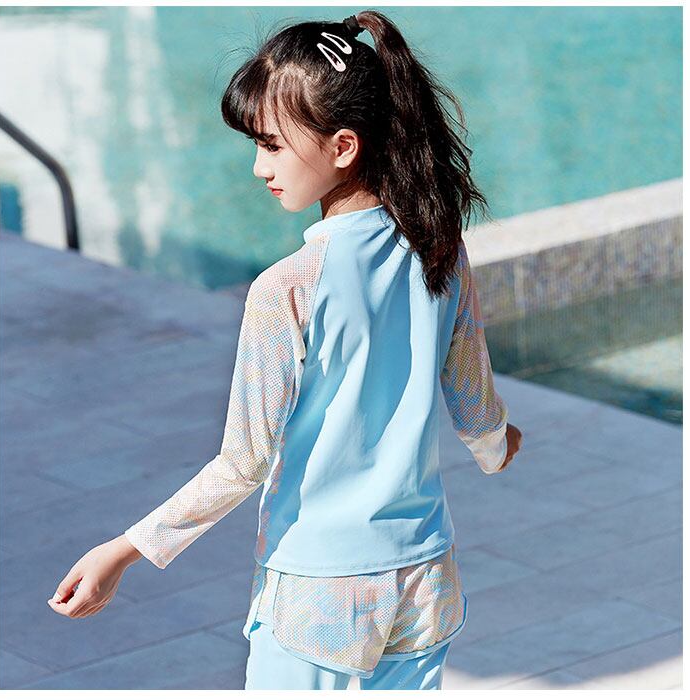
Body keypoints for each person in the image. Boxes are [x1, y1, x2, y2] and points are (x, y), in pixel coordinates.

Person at [46, 10, 523, 690]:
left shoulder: (287, 288)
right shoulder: (439, 246)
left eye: (271, 145)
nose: (257, 167)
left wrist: (122, 551)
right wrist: (496, 447)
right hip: (426, 574)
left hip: (321, 588)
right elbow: (473, 402)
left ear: (343, 146)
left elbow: (243, 463)